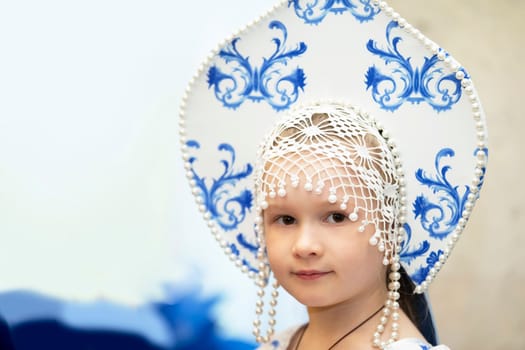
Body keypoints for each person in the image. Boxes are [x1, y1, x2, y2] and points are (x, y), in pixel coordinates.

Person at [179, 1, 488, 349]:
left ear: (389, 227)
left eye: (337, 216)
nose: (305, 245)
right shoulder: (281, 343)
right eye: (284, 219)